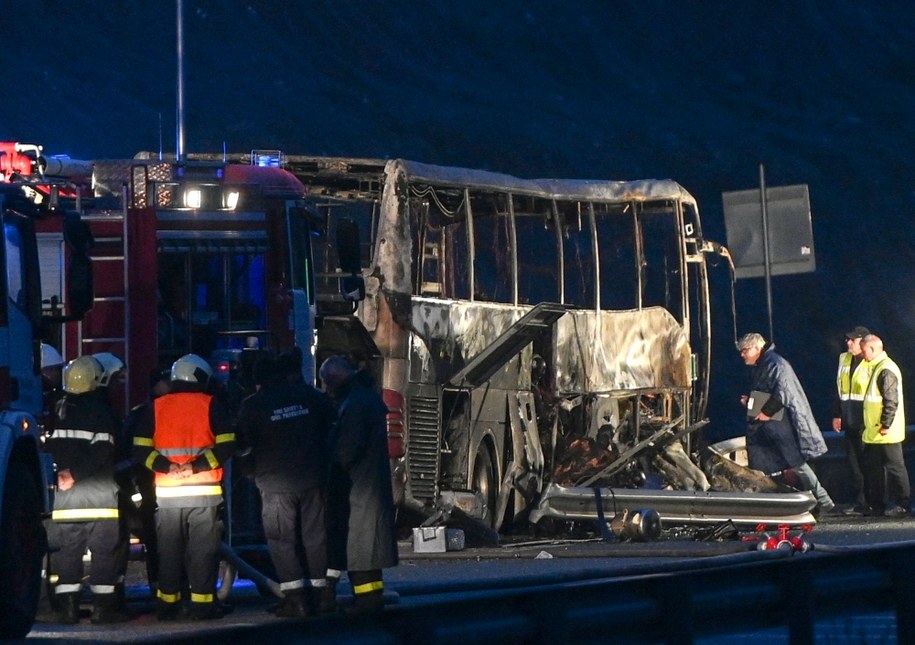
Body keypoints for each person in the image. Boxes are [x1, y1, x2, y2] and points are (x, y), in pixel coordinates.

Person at [132, 353, 235, 621]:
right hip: (205, 494)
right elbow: (226, 445)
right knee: (203, 553)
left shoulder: (155, 407)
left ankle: (168, 607)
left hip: (167, 495)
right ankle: (202, 607)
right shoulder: (211, 405)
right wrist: (196, 467)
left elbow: (140, 450)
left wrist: (167, 468)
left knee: (169, 554)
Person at [236, 351, 336, 617]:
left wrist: (250, 472)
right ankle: (322, 595)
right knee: (316, 538)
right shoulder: (312, 397)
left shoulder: (253, 405)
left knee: (282, 541)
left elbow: (243, 446)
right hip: (313, 480)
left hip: (274, 484)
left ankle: (295, 599)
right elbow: (332, 428)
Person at [45, 355, 128, 624]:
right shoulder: (101, 410)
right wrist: (77, 474)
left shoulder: (57, 410)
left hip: (66, 499)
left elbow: (47, 449)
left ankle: (67, 610)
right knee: (105, 553)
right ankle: (104, 611)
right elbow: (104, 449)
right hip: (100, 496)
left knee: (68, 554)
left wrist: (63, 475)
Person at [318, 355, 398, 615]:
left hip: (360, 488)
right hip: (368, 486)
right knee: (366, 548)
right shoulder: (364, 397)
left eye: (328, 383)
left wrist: (327, 468)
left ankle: (367, 602)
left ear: (335, 379)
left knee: (361, 547)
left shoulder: (353, 404)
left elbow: (347, 449)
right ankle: (368, 597)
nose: (327, 390)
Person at [737, 333, 836, 514]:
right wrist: (751, 401)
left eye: (745, 351)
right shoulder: (764, 364)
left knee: (795, 462)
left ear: (756, 348)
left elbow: (783, 391)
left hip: (778, 425)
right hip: (765, 425)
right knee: (766, 466)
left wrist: (768, 412)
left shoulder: (775, 364)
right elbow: (766, 393)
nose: (742, 355)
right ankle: (771, 504)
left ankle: (823, 500)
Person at [860, 334, 911, 517]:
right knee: (874, 468)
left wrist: (885, 424)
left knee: (895, 467)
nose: (862, 354)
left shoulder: (886, 369)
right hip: (875, 430)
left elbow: (891, 400)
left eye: (864, 350)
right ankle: (877, 504)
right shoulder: (876, 367)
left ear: (872, 348)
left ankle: (902, 504)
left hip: (885, 431)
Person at [830, 326, 871, 514]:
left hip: (867, 421)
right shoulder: (844, 359)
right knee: (854, 463)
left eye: (852, 340)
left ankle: (872, 501)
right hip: (850, 419)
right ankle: (860, 502)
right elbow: (839, 389)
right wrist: (837, 414)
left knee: (869, 463)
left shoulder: (872, 362)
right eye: (848, 339)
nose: (848, 343)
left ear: (863, 342)